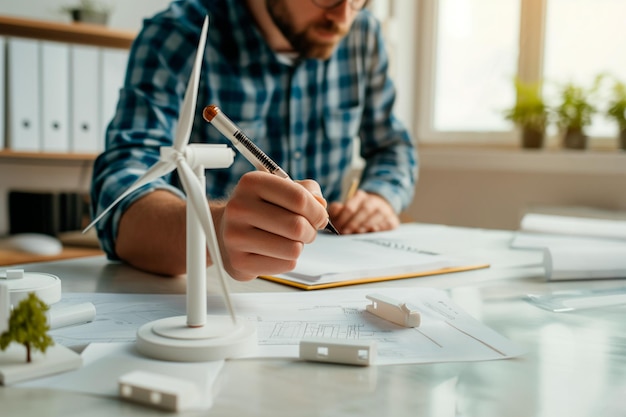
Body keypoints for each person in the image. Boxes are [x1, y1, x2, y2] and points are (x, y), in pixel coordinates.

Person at [90, 0, 417, 281]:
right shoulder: (179, 34)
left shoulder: (363, 33)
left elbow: (393, 147)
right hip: (202, 284)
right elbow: (120, 194)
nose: (344, 16)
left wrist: (380, 197)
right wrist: (214, 232)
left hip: (326, 280)